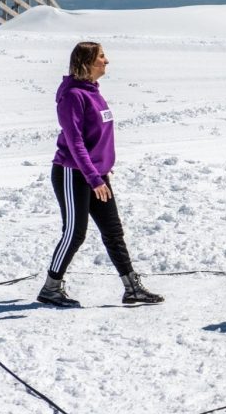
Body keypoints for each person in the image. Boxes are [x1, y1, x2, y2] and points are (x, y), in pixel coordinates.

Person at [37, 42, 163, 308]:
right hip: (73, 174)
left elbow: (98, 136)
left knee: (113, 231)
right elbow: (75, 142)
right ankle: (51, 288)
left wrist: (102, 167)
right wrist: (93, 176)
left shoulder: (93, 91)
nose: (107, 61)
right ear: (87, 63)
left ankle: (132, 288)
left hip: (96, 174)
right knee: (75, 232)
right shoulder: (73, 96)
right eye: (102, 57)